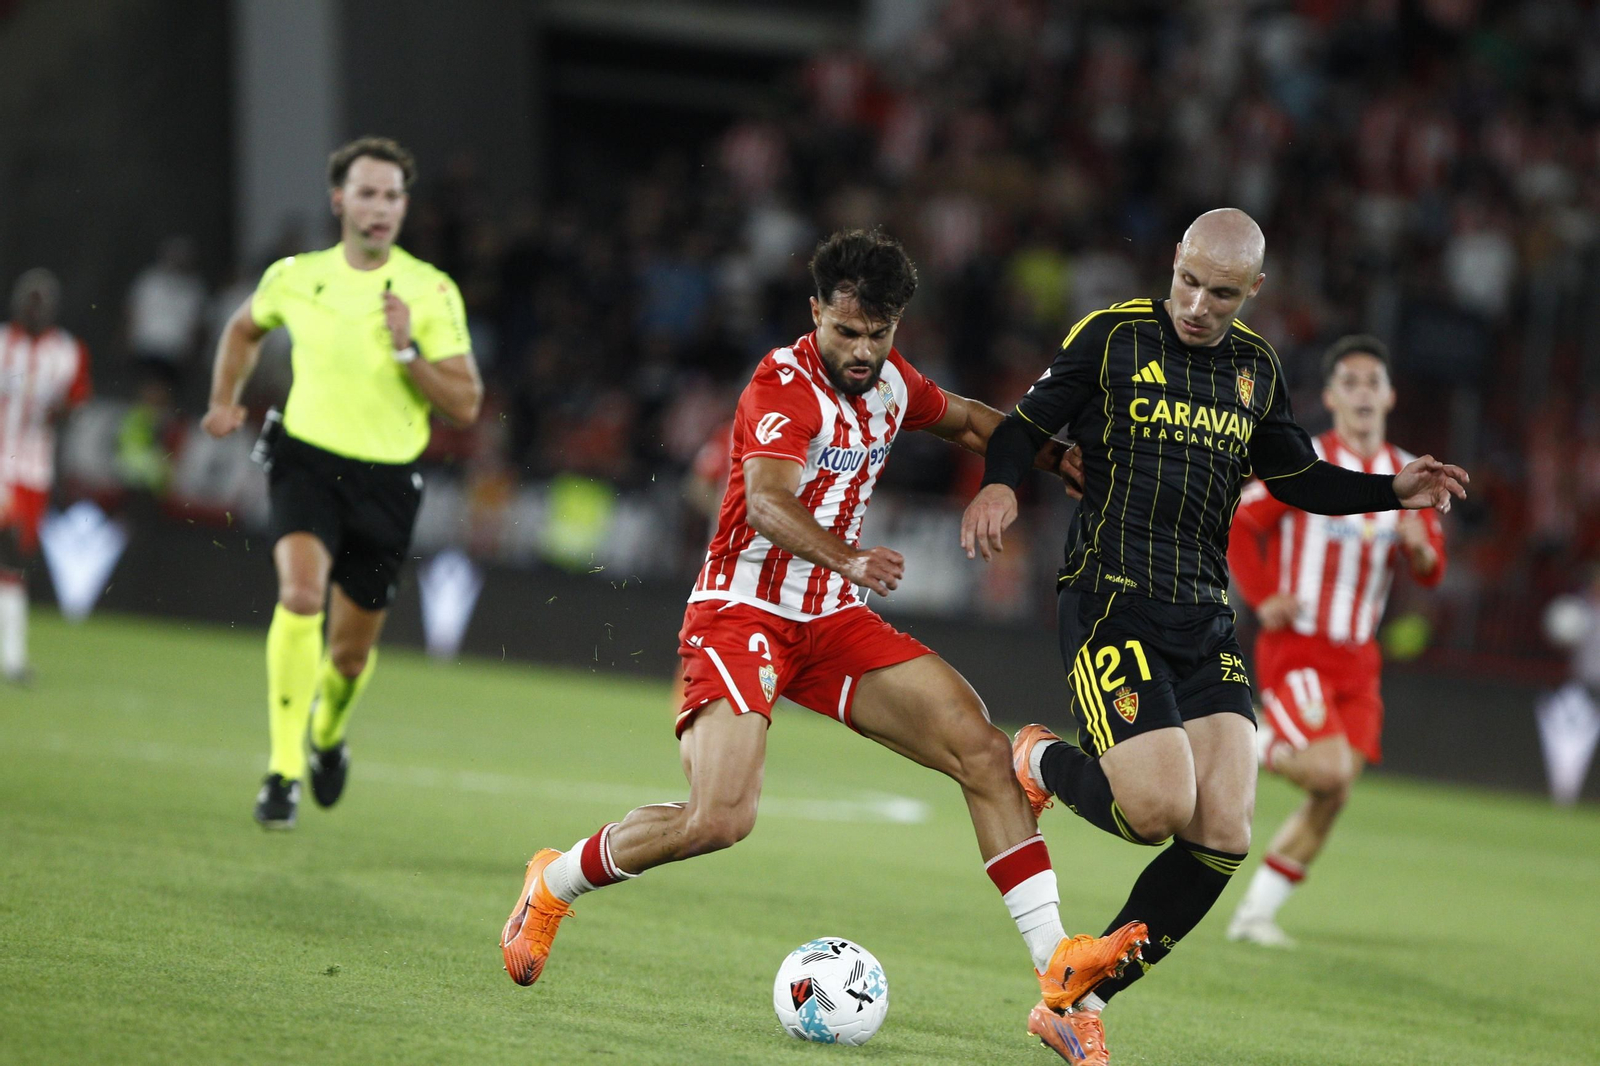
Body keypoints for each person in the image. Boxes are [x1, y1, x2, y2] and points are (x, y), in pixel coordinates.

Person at [498, 229, 1146, 1063]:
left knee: (984, 753)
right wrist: (847, 555)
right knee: (720, 819)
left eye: (879, 335)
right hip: (742, 612)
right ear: (816, 315)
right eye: (847, 333)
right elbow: (766, 502)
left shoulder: (890, 382)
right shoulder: (783, 383)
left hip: (830, 620)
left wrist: (1052, 457)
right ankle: (553, 883)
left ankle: (1059, 986)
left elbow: (977, 421)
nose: (863, 351)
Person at [963, 209, 1467, 1063]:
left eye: (1222, 293)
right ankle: (1040, 758)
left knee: (1224, 834)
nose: (1198, 304)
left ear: (1253, 293)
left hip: (1204, 616)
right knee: (1156, 811)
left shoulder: (1256, 369)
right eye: (1189, 281)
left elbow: (1299, 475)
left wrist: (1394, 490)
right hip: (1111, 599)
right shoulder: (1112, 337)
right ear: (1175, 263)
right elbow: (1023, 425)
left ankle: (1074, 999)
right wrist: (1002, 486)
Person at [203, 136, 482, 830]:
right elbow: (243, 331)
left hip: (388, 479)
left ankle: (327, 734)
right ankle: (282, 771)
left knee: (350, 655)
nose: (381, 206)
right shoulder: (296, 275)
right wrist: (222, 399)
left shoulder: (429, 290)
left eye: (392, 195)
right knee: (299, 594)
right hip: (306, 461)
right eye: (367, 192)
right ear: (339, 200)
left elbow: (466, 402)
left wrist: (408, 352)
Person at [1224, 335, 1445, 946]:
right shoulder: (1306, 462)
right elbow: (1241, 525)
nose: (1363, 392)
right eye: (1349, 382)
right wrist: (1263, 594)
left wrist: (1423, 550)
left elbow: (1433, 569)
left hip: (1358, 659)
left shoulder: (1407, 474)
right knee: (1325, 771)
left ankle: (1255, 916)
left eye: (1373, 381)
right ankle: (1257, 738)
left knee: (1335, 790)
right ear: (1330, 396)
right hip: (1299, 647)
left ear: (1390, 394)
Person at [0, 269, 93, 683]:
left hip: (33, 471)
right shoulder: (2, 343)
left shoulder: (69, 352)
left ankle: (13, 658)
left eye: (42, 300)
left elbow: (75, 403)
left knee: (14, 563)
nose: (34, 307)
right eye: (29, 298)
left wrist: (64, 413)